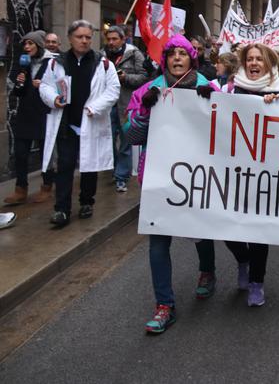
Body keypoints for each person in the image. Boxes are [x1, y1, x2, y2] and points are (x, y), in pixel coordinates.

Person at [125, 34, 218, 333]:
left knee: (200, 231)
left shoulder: (209, 88)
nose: (177, 58)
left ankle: (207, 271)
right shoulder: (148, 91)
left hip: (198, 176)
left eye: (183, 53)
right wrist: (144, 115)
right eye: (172, 53)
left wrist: (211, 108)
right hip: (159, 176)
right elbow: (131, 135)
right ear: (165, 59)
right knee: (158, 241)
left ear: (192, 58)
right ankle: (164, 305)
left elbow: (226, 132)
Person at [220, 43, 279, 307]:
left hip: (267, 173)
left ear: (268, 63)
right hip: (234, 170)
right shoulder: (228, 89)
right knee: (228, 226)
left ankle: (256, 283)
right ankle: (243, 259)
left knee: (259, 231)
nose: (253, 63)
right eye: (249, 59)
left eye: (259, 59)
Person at [39, 20, 120, 227]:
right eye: (80, 37)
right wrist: (53, 99)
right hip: (67, 123)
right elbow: (46, 87)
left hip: (91, 121)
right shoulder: (56, 63)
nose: (84, 41)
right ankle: (62, 209)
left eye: (88, 37)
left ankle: (86, 202)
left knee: (89, 166)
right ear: (70, 38)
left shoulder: (103, 63)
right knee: (64, 165)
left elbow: (113, 90)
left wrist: (95, 107)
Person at [4, 30, 56, 205]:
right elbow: (18, 92)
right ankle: (21, 189)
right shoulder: (24, 63)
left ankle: (47, 186)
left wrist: (43, 85)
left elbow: (59, 87)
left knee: (45, 153)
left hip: (43, 113)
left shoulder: (51, 63)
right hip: (25, 113)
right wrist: (20, 81)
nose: (26, 47)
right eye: (25, 44)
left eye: (30, 44)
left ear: (39, 45)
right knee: (20, 153)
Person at [102, 26, 148, 193]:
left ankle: (122, 176)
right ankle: (116, 169)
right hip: (108, 105)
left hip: (126, 105)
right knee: (108, 140)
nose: (112, 42)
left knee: (125, 142)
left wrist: (125, 77)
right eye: (109, 39)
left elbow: (144, 77)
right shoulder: (102, 56)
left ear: (123, 40)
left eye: (115, 39)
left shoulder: (134, 54)